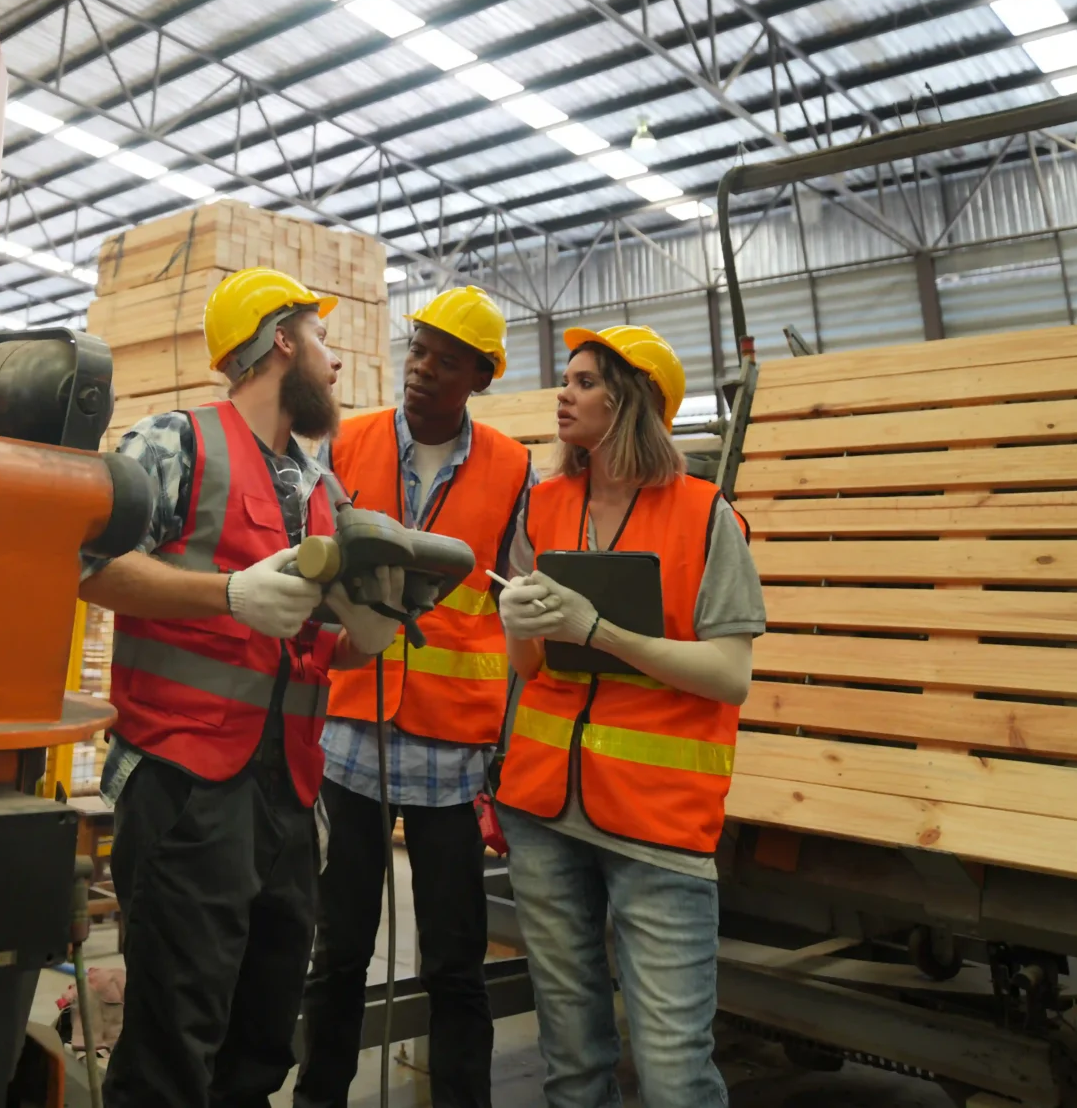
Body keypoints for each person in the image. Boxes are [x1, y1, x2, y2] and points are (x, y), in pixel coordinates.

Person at [79, 267, 405, 1108]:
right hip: (187, 786)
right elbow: (89, 568)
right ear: (283, 341)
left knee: (261, 1038)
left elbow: (314, 649)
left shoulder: (323, 490)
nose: (336, 363)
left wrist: (363, 639)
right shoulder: (173, 443)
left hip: (289, 796)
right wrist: (225, 593)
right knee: (174, 1038)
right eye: (323, 338)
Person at [492, 326, 765, 1108]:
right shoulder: (544, 506)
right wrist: (519, 621)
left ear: (631, 400)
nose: (563, 393)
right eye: (566, 379)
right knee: (572, 1062)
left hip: (658, 825)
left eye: (582, 381)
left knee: (675, 1074)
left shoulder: (706, 516)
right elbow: (530, 670)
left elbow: (730, 675)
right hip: (543, 810)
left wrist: (598, 631)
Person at [296, 286, 530, 1108]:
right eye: (419, 351)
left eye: (446, 360)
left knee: (457, 958)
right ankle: (319, 1097)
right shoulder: (344, 442)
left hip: (455, 747)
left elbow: (519, 600)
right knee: (340, 948)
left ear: (481, 376)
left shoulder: (513, 467)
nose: (423, 370)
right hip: (354, 731)